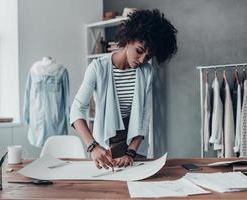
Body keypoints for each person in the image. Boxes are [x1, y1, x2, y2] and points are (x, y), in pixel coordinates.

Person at [70, 9, 178, 169]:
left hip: (135, 145)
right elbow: (77, 110)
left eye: (148, 57)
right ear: (129, 39)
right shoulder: (98, 68)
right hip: (104, 146)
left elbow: (144, 116)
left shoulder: (146, 71)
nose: (142, 60)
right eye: (140, 51)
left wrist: (131, 153)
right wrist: (93, 146)